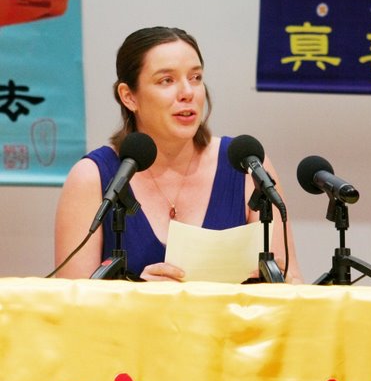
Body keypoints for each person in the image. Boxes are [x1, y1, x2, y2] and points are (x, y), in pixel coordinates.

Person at [54, 26, 303, 283]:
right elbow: (71, 300)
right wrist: (138, 294)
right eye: (166, 80)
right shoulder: (92, 177)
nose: (188, 92)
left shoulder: (247, 166)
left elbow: (292, 280)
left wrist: (273, 280)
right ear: (129, 97)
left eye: (195, 77)